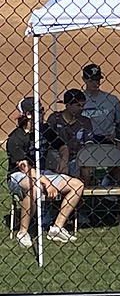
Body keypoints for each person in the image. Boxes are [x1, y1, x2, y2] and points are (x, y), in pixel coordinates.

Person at [6, 97, 83, 245]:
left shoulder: (45, 129)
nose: (43, 113)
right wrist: (46, 182)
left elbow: (63, 147)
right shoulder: (16, 138)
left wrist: (63, 161)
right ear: (28, 114)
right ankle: (23, 232)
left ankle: (57, 227)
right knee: (34, 188)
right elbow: (25, 168)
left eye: (42, 110)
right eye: (39, 111)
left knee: (77, 185)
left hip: (43, 173)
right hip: (19, 175)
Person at [45, 89, 95, 183]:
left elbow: (89, 143)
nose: (81, 108)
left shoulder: (85, 121)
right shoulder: (55, 119)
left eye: (83, 105)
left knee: (85, 167)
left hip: (78, 158)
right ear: (68, 105)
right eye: (78, 105)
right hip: (57, 157)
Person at [80, 63, 120, 144]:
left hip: (108, 141)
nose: (95, 83)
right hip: (85, 142)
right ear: (84, 79)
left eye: (97, 80)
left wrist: (115, 134)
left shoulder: (112, 100)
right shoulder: (78, 100)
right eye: (91, 80)